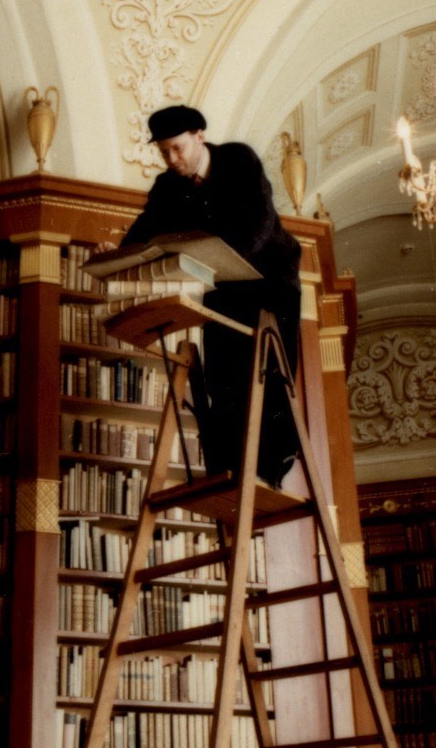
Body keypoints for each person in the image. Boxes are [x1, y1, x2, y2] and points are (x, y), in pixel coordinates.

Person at [105, 105, 303, 487]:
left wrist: (230, 259)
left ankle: (273, 467)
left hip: (271, 280)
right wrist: (116, 250)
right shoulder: (167, 187)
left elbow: (261, 223)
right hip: (221, 286)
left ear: (199, 136)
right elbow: (143, 234)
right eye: (164, 152)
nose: (172, 159)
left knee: (271, 374)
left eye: (178, 148)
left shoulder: (239, 160)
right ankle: (229, 470)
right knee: (222, 377)